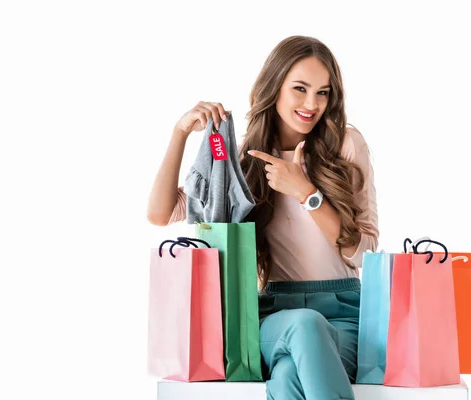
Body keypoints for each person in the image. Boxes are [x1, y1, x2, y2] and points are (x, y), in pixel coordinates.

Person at [147, 35, 379, 400]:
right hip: (273, 313)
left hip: (345, 314)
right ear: (275, 87)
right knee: (304, 326)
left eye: (323, 92)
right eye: (300, 89)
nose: (311, 104)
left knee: (287, 376)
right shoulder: (243, 159)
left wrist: (307, 194)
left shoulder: (346, 145)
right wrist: (179, 133)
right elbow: (161, 213)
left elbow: (364, 251)